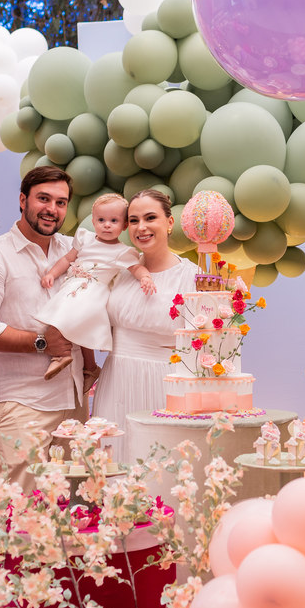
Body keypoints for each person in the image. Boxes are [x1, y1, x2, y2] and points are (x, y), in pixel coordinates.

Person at [0, 166, 93, 489]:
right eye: (43, 199)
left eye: (61, 202)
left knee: (76, 503)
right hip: (22, 403)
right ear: (23, 200)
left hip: (73, 401)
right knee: (26, 506)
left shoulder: (72, 252)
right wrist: (41, 342)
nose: (52, 209)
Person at [91, 189, 197, 464]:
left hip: (166, 381)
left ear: (169, 222)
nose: (142, 227)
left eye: (151, 217)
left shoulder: (192, 277)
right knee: (114, 461)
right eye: (134, 220)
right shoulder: (120, 271)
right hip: (117, 379)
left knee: (162, 466)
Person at [35, 193, 156, 380]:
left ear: (124, 225)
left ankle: (62, 355)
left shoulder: (121, 251)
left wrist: (145, 277)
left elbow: (136, 267)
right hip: (74, 284)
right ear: (93, 221)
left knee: (62, 316)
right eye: (101, 220)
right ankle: (90, 367)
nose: (106, 225)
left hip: (93, 291)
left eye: (114, 220)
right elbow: (68, 259)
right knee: (80, 327)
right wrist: (52, 273)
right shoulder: (85, 238)